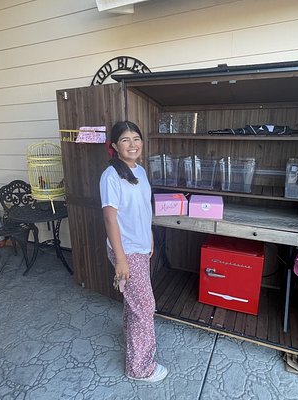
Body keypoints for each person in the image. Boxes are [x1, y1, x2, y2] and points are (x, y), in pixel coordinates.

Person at [99, 121, 168, 383]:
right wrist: (120, 260)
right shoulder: (110, 176)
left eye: (136, 138)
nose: (132, 144)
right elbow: (110, 219)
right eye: (125, 140)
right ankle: (140, 368)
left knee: (135, 303)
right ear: (115, 146)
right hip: (126, 251)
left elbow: (143, 207)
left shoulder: (139, 170)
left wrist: (149, 237)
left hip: (140, 247)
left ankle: (133, 341)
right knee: (144, 306)